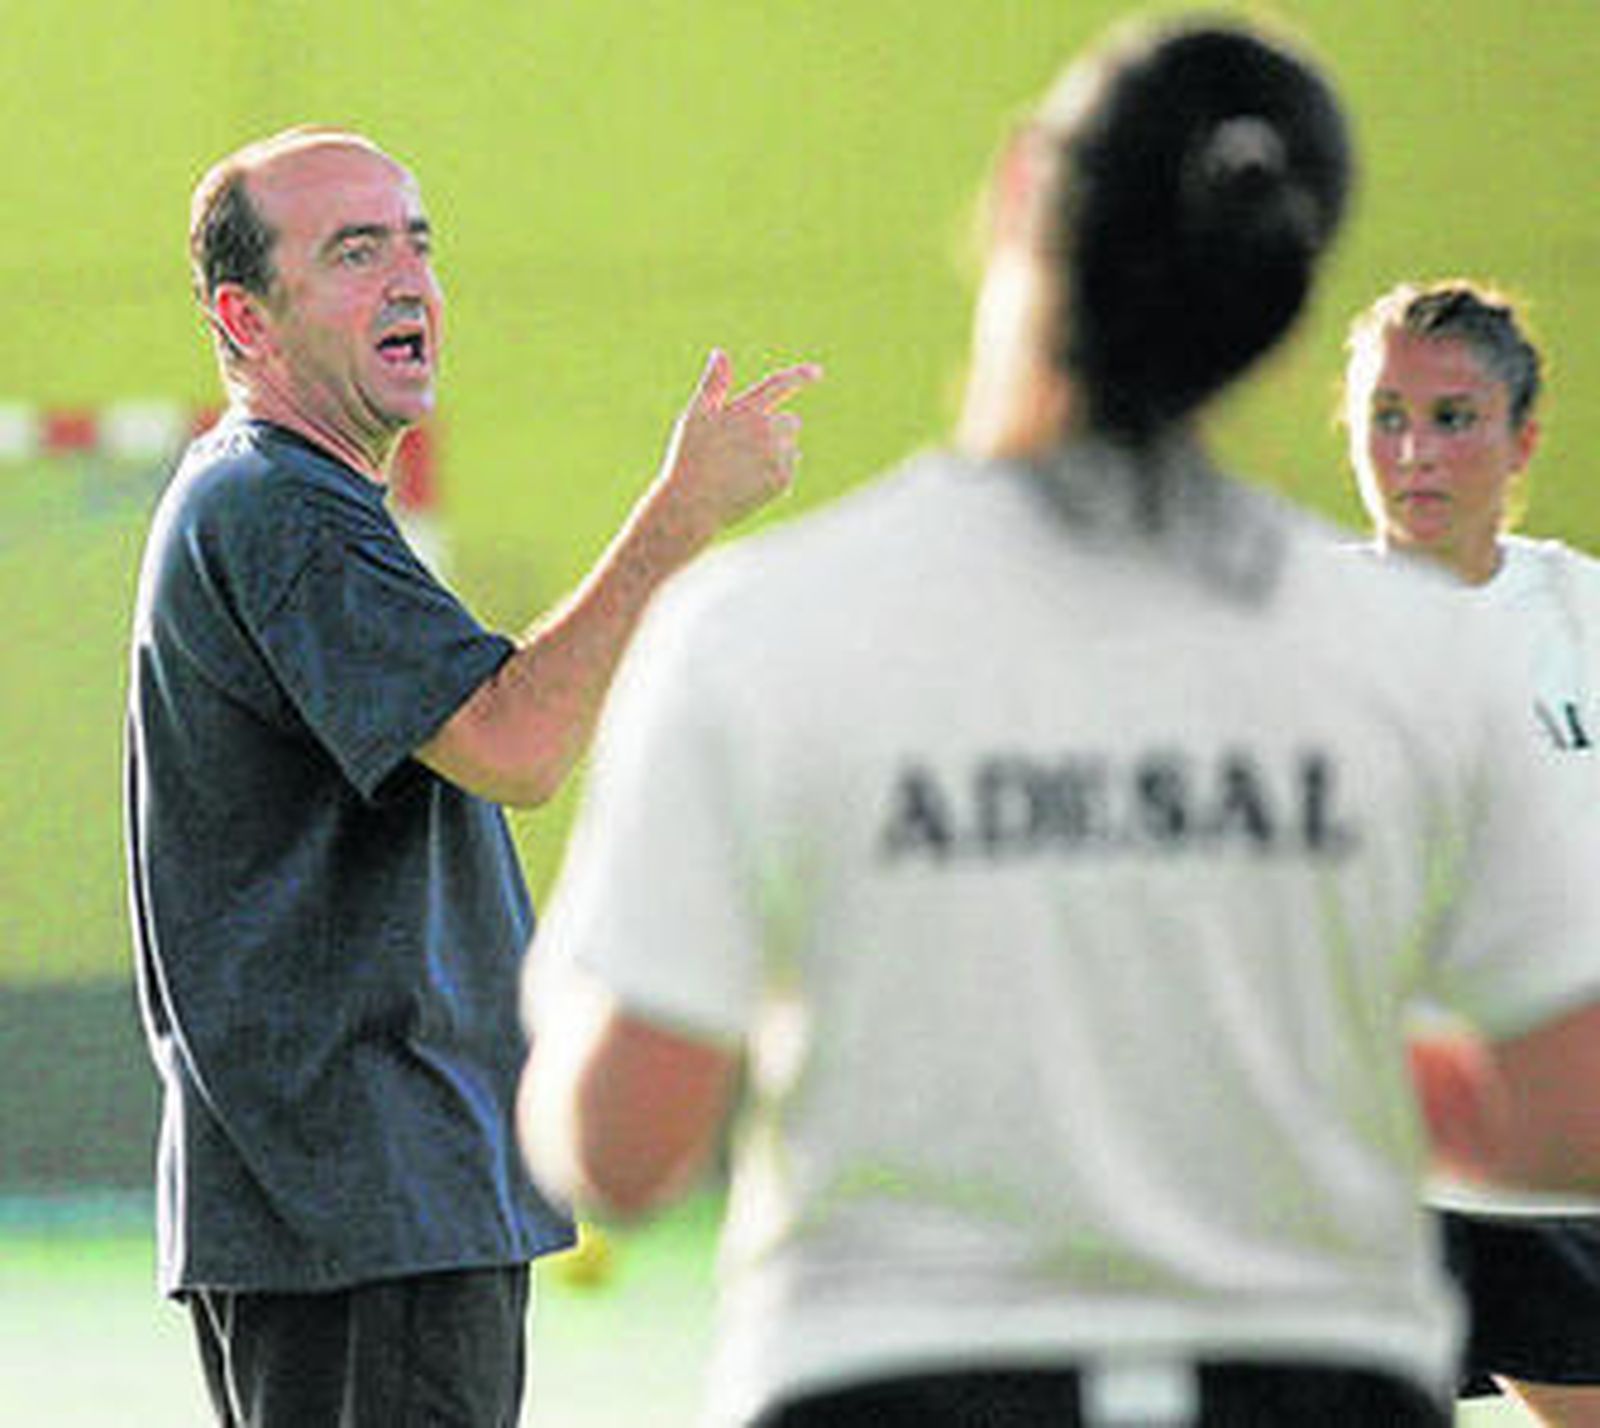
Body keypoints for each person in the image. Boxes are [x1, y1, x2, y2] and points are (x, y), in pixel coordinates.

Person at [517, 14, 1600, 1428]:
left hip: (887, 1383)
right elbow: (1565, 1111)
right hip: (1314, 1381)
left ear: (1023, 189)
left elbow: (622, 1147)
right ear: (1281, 306)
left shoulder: (762, 629)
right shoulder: (1418, 662)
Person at [123, 125, 820, 1428]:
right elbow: (514, 743)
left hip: (365, 1211)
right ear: (247, 319)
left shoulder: (290, 505)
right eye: (352, 251)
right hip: (363, 1207)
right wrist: (679, 519)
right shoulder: (271, 506)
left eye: (417, 242)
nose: (409, 280)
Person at [1345, 278, 1600, 1426]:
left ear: (1521, 438)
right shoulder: (1284, 630)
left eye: (1451, 418)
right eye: (1385, 416)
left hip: (1544, 1161)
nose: (1413, 453)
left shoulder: (1579, 617)